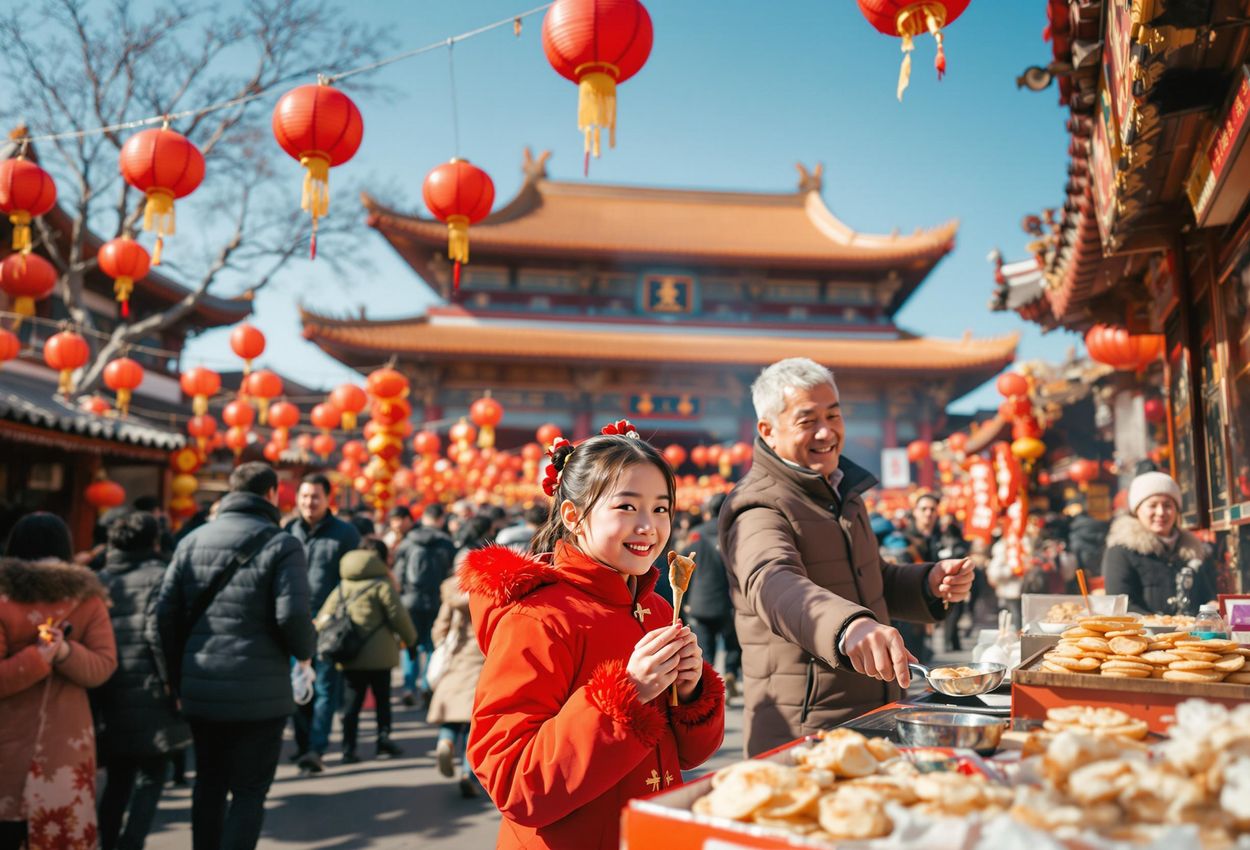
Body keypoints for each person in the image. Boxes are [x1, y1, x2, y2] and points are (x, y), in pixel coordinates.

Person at [463, 423, 725, 850]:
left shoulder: (657, 608)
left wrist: (692, 692)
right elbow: (513, 782)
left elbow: (689, 755)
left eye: (661, 509)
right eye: (626, 506)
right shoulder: (539, 617)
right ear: (573, 516)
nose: (648, 526)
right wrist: (630, 691)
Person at [720, 358, 973, 756]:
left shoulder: (843, 493)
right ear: (768, 431)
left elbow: (871, 579)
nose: (826, 431)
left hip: (874, 709)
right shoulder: (758, 505)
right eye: (808, 420)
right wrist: (846, 627)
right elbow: (771, 581)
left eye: (833, 415)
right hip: (808, 726)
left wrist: (927, 583)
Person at [156, 462, 316, 850]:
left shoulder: (192, 539)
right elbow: (292, 614)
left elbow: (164, 614)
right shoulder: (282, 544)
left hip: (201, 683)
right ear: (272, 494)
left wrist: (175, 678)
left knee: (208, 782)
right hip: (260, 693)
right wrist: (305, 654)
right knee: (248, 791)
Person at [1, 514, 117, 850]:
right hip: (65, 745)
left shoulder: (3, 598)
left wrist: (46, 656)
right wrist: (60, 653)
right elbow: (103, 667)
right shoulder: (88, 599)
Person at [95, 511, 192, 850]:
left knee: (118, 777)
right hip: (151, 687)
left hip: (106, 686)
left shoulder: (100, 578)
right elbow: (160, 635)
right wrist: (174, 685)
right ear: (154, 541)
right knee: (151, 775)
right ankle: (131, 843)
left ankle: (108, 843)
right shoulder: (161, 576)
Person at [285, 472, 361, 774]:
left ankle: (316, 748)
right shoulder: (290, 530)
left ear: (327, 499)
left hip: (329, 624)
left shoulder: (345, 533)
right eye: (304, 496)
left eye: (315, 496)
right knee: (297, 683)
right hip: (294, 620)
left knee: (326, 686)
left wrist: (332, 613)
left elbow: (350, 581)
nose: (308, 502)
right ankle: (303, 745)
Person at [315, 547, 416, 764]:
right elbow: (399, 617)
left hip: (351, 656)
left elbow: (324, 616)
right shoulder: (382, 586)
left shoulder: (342, 587)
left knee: (351, 705)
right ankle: (383, 739)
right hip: (381, 656)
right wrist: (411, 640)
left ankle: (348, 748)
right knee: (382, 700)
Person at [1103, 471, 1217, 616]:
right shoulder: (1122, 550)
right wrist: (1160, 624)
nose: (1161, 512)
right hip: (1146, 636)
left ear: (1177, 510)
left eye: (1167, 505)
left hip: (1194, 636)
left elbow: (1207, 596)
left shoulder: (1194, 550)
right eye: (1152, 505)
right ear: (1137, 510)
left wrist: (1213, 608)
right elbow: (1121, 605)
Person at [427, 551, 487, 797]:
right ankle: (467, 773)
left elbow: (440, 627)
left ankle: (445, 742)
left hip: (458, 656)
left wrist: (441, 645)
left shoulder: (453, 592)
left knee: (452, 716)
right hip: (482, 657)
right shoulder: (487, 591)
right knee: (477, 722)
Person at [394, 503, 456, 707]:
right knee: (432, 645)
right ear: (440, 519)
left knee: (409, 645)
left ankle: (409, 686)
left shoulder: (408, 541)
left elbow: (399, 574)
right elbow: (451, 573)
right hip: (436, 600)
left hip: (410, 600)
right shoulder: (446, 543)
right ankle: (426, 687)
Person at [681, 493, 741, 697]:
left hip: (701, 602)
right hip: (729, 602)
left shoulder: (696, 535)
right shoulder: (735, 533)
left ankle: (707, 686)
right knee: (733, 644)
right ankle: (731, 672)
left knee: (705, 647)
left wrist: (686, 600)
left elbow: (685, 568)